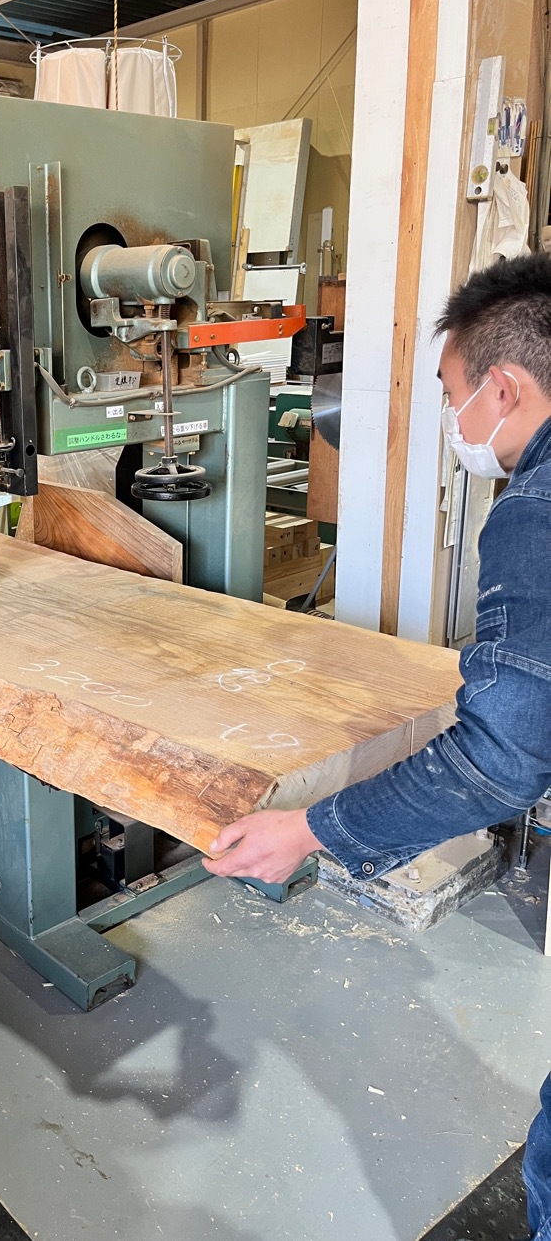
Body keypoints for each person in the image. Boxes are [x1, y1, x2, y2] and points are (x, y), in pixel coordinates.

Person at [202, 252, 551, 1240]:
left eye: (448, 393)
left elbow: (498, 758)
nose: (451, 420)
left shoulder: (535, 512)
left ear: (502, 388)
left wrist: (310, 829)